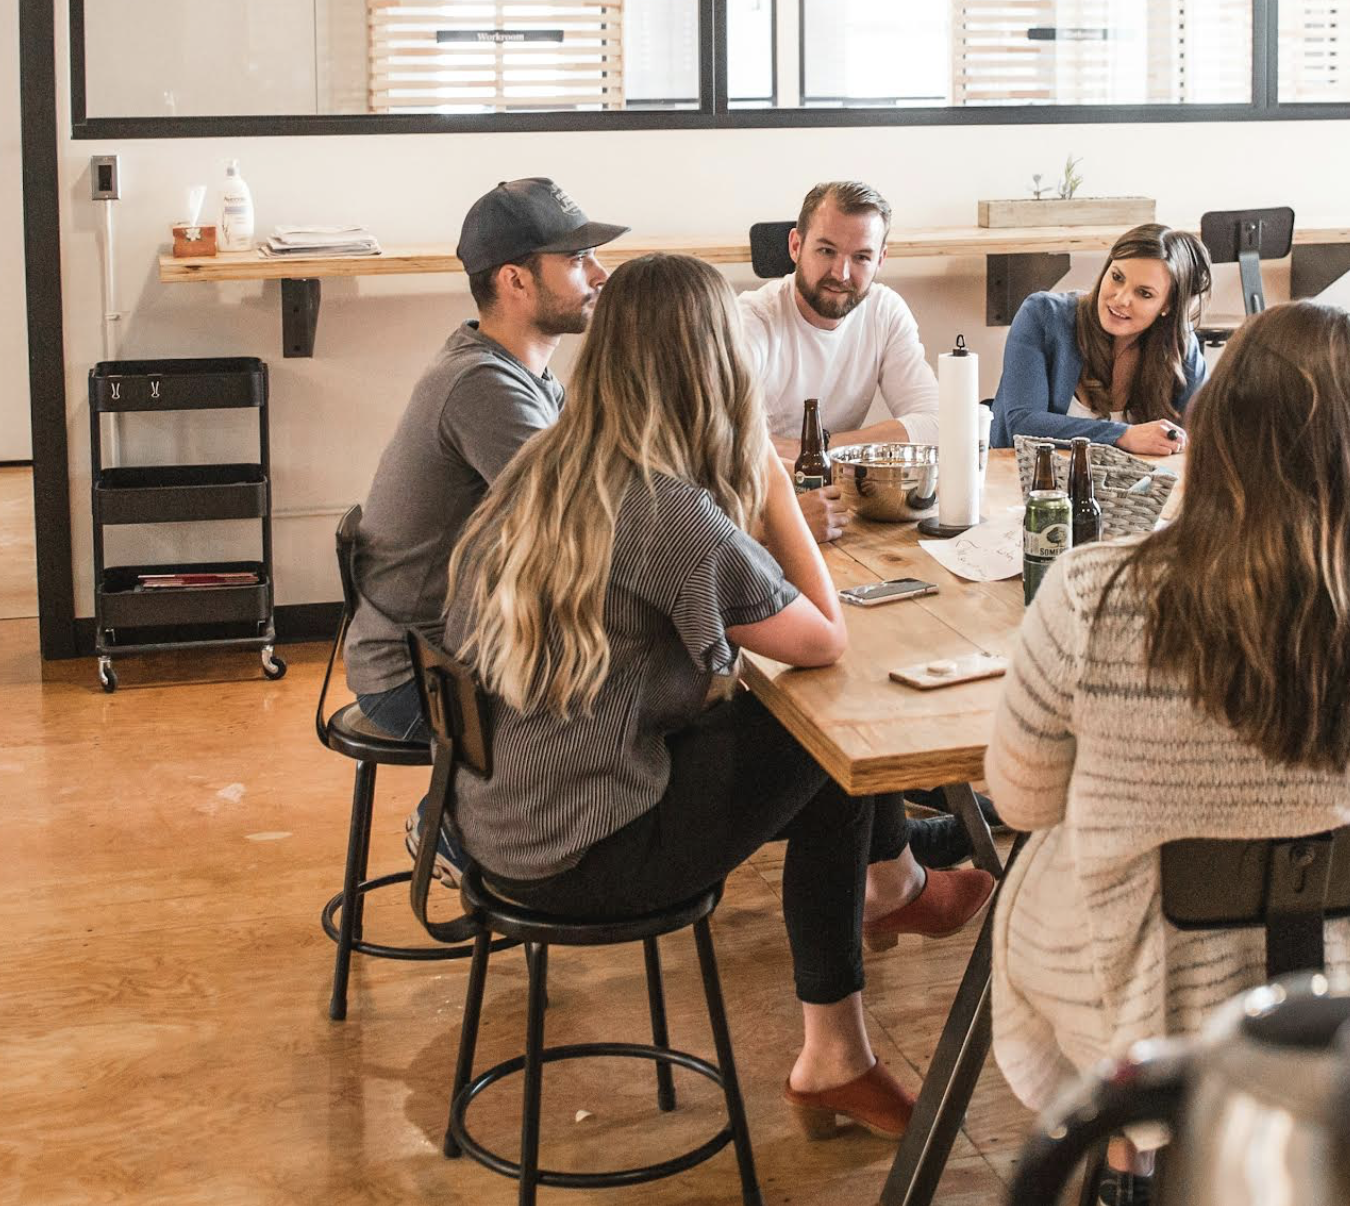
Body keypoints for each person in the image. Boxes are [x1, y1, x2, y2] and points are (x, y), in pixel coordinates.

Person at [442, 254, 995, 1142]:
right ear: (717, 366)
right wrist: (772, 478)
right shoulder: (665, 509)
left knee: (796, 737)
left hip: (500, 817)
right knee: (824, 741)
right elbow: (822, 634)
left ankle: (878, 932)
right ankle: (851, 1006)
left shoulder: (547, 466)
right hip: (586, 851)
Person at [988, 302, 1350, 1134]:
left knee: (1045, 862)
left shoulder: (1094, 592)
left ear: (1217, 424)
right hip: (1346, 974)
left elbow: (1020, 802)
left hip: (1137, 985)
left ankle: (1133, 1143)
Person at [340, 177, 623, 737]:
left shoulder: (524, 376)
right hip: (423, 679)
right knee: (638, 712)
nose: (599, 275)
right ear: (515, 280)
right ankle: (453, 823)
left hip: (461, 654)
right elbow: (587, 522)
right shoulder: (483, 385)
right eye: (577, 259)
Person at [738, 180, 942, 544]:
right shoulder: (751, 320)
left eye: (861, 257)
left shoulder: (885, 310)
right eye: (827, 251)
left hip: (841, 514)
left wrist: (820, 452)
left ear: (881, 260)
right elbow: (728, 446)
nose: (841, 273)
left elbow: (936, 425)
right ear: (796, 246)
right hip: (757, 513)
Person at [990, 223, 1212, 457]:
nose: (1121, 299)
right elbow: (1023, 425)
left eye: (1144, 293)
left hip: (1134, 492)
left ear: (1167, 305)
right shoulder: (1043, 315)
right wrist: (1123, 435)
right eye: (1117, 277)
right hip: (1023, 486)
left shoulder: (1179, 344)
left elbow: (1205, 434)